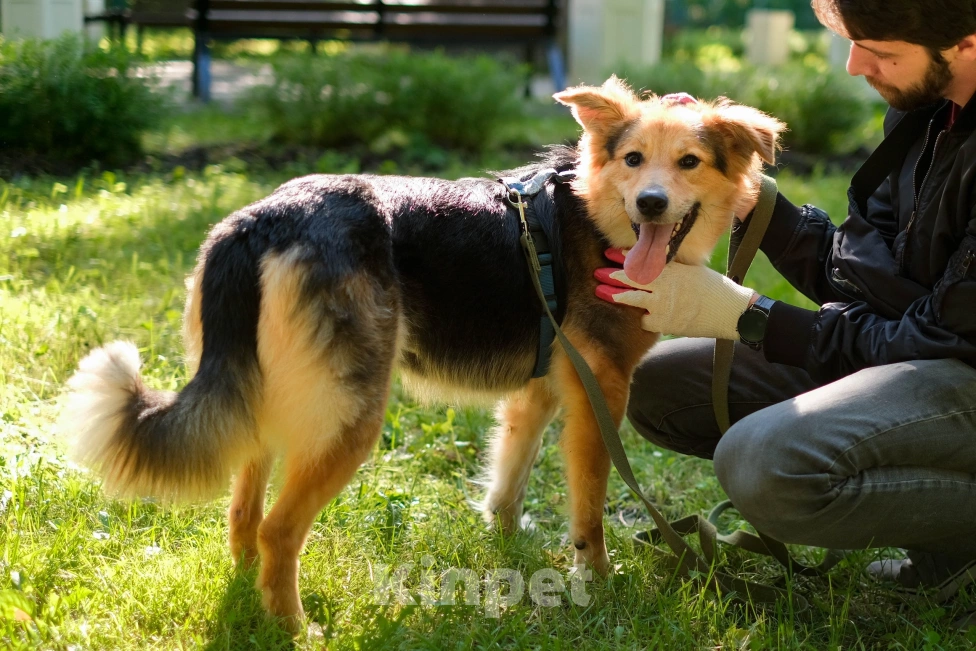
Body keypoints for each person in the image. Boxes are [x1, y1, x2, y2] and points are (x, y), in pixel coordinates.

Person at [595, 0, 976, 620]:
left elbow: (937, 340)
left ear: (965, 43)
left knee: (766, 465)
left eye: (880, 52)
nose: (855, 65)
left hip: (957, 367)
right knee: (664, 386)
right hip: (931, 357)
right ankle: (951, 556)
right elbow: (866, 276)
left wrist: (752, 317)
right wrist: (742, 191)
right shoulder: (931, 113)